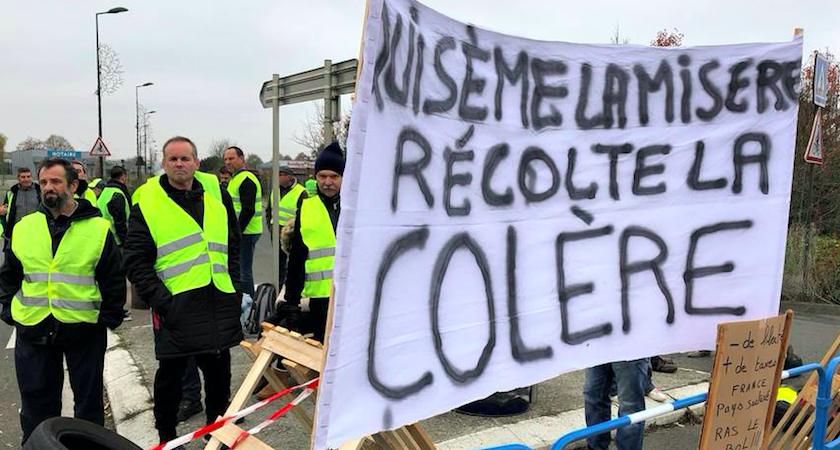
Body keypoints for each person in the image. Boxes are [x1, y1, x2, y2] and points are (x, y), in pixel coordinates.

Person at [125, 136, 242, 444]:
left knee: (219, 382)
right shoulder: (147, 205)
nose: (179, 164)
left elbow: (233, 247)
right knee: (170, 381)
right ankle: (166, 437)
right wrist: (164, 303)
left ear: (196, 163)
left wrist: (235, 288)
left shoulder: (217, 201)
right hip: (176, 309)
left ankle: (215, 438)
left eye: (185, 159)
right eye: (173, 159)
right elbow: (136, 262)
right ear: (163, 163)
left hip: (216, 304)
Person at [0, 157, 125, 444]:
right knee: (36, 405)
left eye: (55, 181)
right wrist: (8, 310)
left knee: (88, 406)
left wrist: (107, 319)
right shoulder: (24, 227)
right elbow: (9, 275)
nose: (48, 187)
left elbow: (113, 279)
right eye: (44, 182)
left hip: (83, 330)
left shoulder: (97, 228)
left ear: (73, 184)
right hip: (34, 329)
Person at [265, 142, 343, 342]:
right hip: (320, 301)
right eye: (322, 176)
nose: (327, 182)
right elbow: (297, 258)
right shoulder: (307, 208)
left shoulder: (356, 208)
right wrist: (291, 301)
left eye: (334, 176)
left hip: (353, 298)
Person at [223, 146, 262, 298]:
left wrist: (237, 232)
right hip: (243, 231)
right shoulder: (236, 179)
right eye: (225, 159)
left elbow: (248, 209)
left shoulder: (246, 180)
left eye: (231, 158)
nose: (228, 162)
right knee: (240, 269)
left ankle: (249, 302)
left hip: (247, 232)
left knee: (243, 270)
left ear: (241, 159)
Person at [584, 359, 648, 450]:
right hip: (598, 347)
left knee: (630, 406)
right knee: (593, 396)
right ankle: (596, 447)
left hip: (630, 349)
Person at [1, 167, 42, 241]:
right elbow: (4, 213)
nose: (26, 179)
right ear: (18, 178)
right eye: (23, 177)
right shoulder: (12, 193)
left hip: (36, 232)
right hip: (16, 233)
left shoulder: (40, 191)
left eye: (28, 176)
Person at [97, 166, 131, 246]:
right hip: (116, 241)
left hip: (103, 238)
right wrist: (127, 242)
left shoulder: (105, 192)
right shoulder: (118, 194)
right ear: (123, 177)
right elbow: (120, 222)